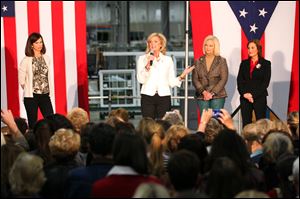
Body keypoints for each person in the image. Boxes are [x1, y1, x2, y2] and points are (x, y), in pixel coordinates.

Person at [137, 32, 194, 119]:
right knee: (148, 125)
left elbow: (171, 82)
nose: (152, 44)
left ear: (161, 44)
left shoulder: (168, 60)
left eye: (155, 41)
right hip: (147, 96)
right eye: (150, 42)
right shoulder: (142, 59)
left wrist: (183, 75)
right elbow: (141, 80)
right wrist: (147, 65)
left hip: (164, 97)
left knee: (164, 124)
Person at [19, 32, 54, 129]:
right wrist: (29, 89)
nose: (40, 45)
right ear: (31, 45)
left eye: (41, 42)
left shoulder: (47, 58)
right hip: (31, 97)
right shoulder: (26, 60)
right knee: (33, 124)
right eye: (37, 43)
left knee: (51, 120)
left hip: (45, 95)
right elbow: (21, 81)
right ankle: (33, 142)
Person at [192, 35, 228, 117]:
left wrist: (212, 93)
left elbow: (224, 79)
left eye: (211, 45)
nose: (208, 47)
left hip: (217, 96)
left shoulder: (221, 61)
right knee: (205, 121)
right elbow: (195, 79)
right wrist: (204, 92)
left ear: (215, 47)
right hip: (202, 96)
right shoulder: (197, 61)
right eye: (206, 45)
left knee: (216, 120)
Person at [237, 39, 271, 127]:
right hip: (245, 98)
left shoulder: (266, 64)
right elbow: (240, 81)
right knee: (246, 124)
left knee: (261, 125)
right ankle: (246, 141)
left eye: (252, 47)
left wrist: (252, 95)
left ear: (258, 49)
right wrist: (244, 94)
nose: (250, 50)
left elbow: (265, 83)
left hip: (259, 97)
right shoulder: (244, 64)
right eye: (248, 48)